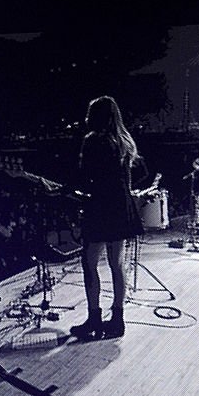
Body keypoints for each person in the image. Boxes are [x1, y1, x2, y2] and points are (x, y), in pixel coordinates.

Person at [69, 95, 147, 340]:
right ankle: (117, 319)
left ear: (96, 116)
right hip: (121, 207)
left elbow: (86, 176)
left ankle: (94, 319)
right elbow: (142, 172)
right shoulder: (125, 141)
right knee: (117, 265)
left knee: (90, 263)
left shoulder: (93, 140)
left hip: (101, 207)